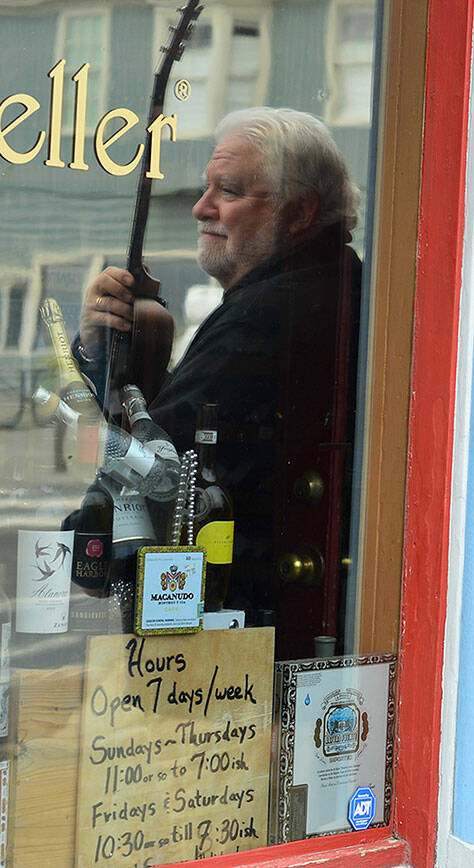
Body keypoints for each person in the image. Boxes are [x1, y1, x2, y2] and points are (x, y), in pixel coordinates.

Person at [73, 107, 362, 644]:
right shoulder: (330, 285)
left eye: (227, 191)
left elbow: (158, 467)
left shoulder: (270, 314)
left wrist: (86, 541)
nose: (201, 208)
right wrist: (111, 357)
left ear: (299, 212)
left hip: (252, 640)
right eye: (207, 188)